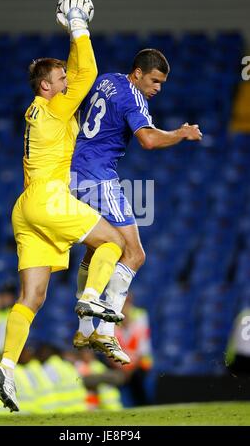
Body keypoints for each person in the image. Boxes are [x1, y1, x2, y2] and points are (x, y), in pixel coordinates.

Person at [0, 0, 126, 413]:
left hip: (25, 208)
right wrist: (78, 26)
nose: (68, 83)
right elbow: (90, 74)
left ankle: (6, 367)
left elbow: (76, 74)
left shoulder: (40, 110)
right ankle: (91, 298)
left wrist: (68, 43)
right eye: (60, 79)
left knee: (31, 298)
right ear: (46, 87)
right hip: (50, 199)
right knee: (114, 242)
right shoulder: (54, 107)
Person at [71, 48, 203, 364]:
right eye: (155, 81)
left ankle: (83, 327)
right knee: (134, 253)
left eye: (162, 83)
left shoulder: (106, 80)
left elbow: (80, 113)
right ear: (138, 73)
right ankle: (106, 328)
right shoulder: (134, 97)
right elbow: (148, 140)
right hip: (98, 175)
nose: (158, 88)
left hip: (73, 172)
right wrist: (180, 133)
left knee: (96, 249)